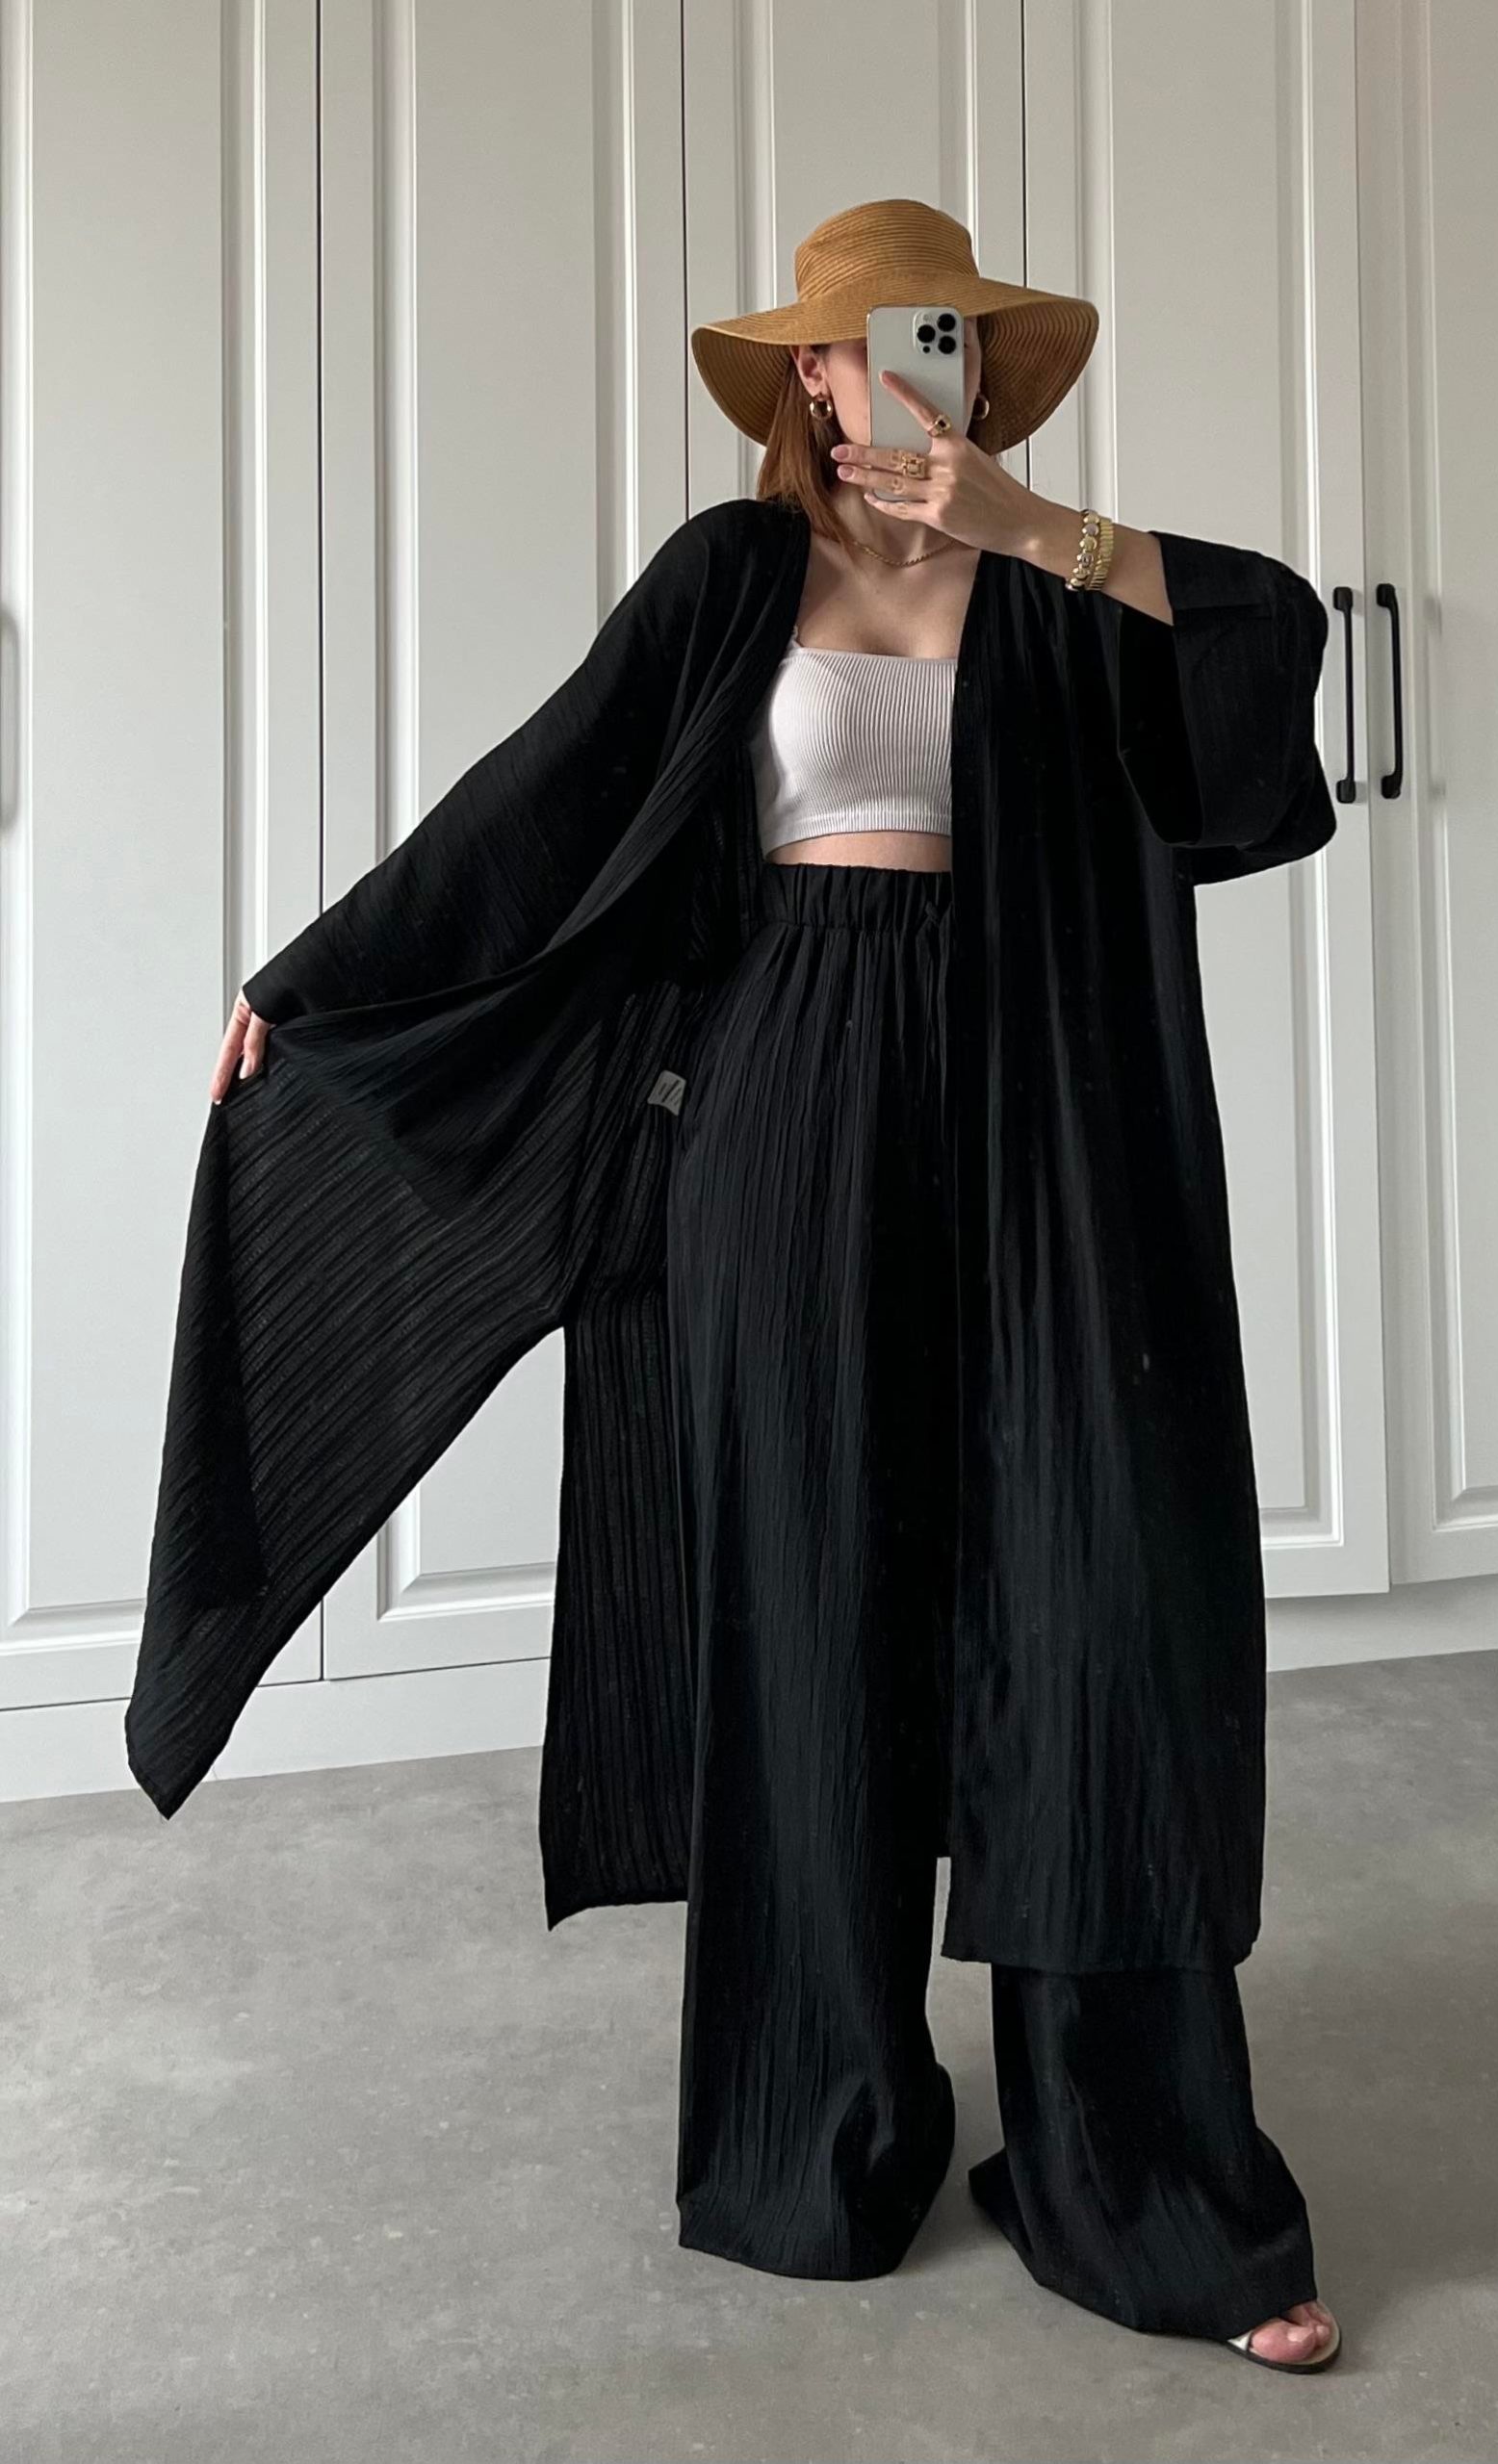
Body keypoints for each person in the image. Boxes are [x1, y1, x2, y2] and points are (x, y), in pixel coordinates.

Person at [139, 198, 1339, 2372]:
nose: (911, 365)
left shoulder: (1063, 587)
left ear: (985, 366)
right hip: (788, 1107)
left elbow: (1265, 660)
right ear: (808, 372)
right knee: (811, 1594)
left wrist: (1035, 528)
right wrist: (309, 983)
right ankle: (821, 2121)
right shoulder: (729, 575)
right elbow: (532, 811)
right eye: (872, 338)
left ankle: (1137, 2175)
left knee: (1095, 1615)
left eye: (948, 334)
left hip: (1047, 1123)